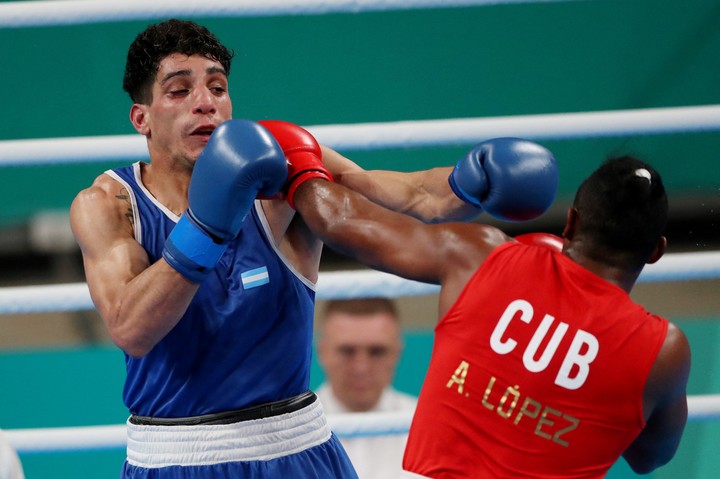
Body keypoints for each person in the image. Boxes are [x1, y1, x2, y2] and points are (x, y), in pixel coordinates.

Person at [68, 19, 557, 478]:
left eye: (217, 88)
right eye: (179, 91)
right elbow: (131, 328)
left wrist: (467, 182)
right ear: (142, 118)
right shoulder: (109, 205)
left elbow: (411, 195)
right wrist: (206, 225)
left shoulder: (279, 164)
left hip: (298, 448)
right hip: (176, 457)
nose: (205, 103)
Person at [291, 154, 691, 478]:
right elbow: (650, 457)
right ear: (657, 251)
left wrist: (295, 163)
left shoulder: (482, 256)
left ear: (570, 221)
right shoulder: (665, 351)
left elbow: (343, 221)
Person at [316, 298, 417, 479]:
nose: (361, 367)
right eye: (347, 351)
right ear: (322, 352)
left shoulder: (426, 426)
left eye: (376, 351)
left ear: (397, 352)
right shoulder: (293, 432)